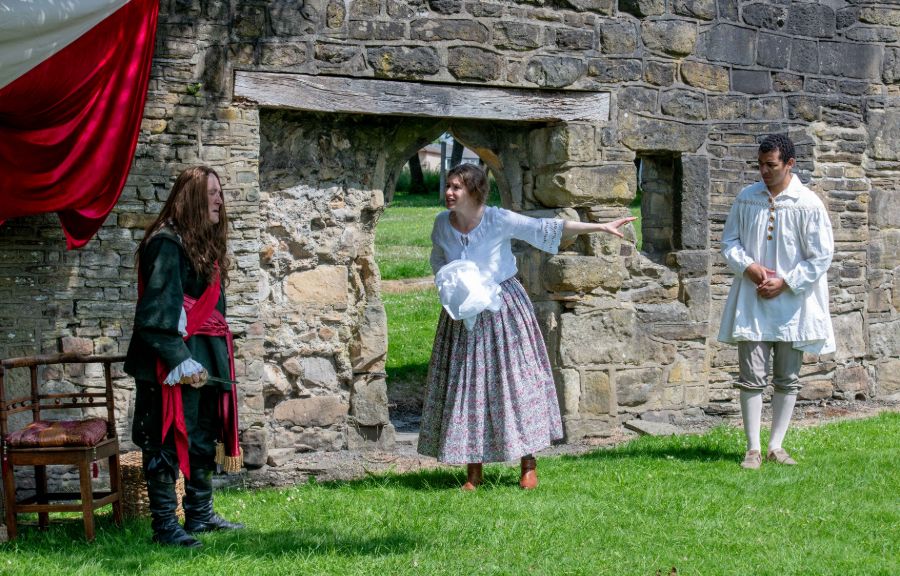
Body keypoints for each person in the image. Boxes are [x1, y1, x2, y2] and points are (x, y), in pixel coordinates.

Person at [417, 163, 635, 490]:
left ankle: (528, 464)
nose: (448, 193)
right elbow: (438, 259)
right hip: (463, 314)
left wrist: (601, 228)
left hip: (503, 308)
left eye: (456, 187)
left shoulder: (497, 219)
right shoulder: (441, 225)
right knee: (468, 386)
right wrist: (451, 285)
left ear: (474, 191)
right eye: (448, 186)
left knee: (516, 383)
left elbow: (548, 228)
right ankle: (474, 471)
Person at [125, 165, 244, 547]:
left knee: (201, 438)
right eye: (211, 193)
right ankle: (164, 525)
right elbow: (155, 314)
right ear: (192, 197)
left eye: (220, 192)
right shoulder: (165, 243)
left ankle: (200, 514)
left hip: (204, 355)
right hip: (170, 362)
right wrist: (180, 359)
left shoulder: (200, 243)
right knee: (163, 440)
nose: (220, 200)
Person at [718, 134, 835, 469]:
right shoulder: (746, 198)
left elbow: (821, 256)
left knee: (787, 377)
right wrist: (750, 268)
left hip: (792, 305)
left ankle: (776, 446)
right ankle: (752, 448)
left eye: (771, 165)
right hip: (753, 301)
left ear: (789, 164)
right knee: (752, 376)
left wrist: (786, 282)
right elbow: (730, 242)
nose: (764, 171)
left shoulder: (808, 203)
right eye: (760, 165)